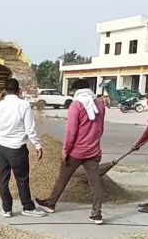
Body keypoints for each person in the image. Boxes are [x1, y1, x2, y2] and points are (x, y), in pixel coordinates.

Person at [36, 79, 106, 225]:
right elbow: (100, 128)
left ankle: (51, 203)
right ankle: (97, 214)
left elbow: (71, 132)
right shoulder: (100, 104)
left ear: (76, 91)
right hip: (93, 151)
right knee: (95, 182)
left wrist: (65, 150)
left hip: (76, 151)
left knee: (63, 177)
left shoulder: (76, 105)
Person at [0, 78, 46, 218]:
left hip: (2, 147)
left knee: (3, 179)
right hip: (17, 148)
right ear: (18, 90)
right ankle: (27, 207)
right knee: (22, 178)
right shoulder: (24, 105)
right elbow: (30, 128)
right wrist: (37, 145)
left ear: (4, 90)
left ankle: (6, 209)